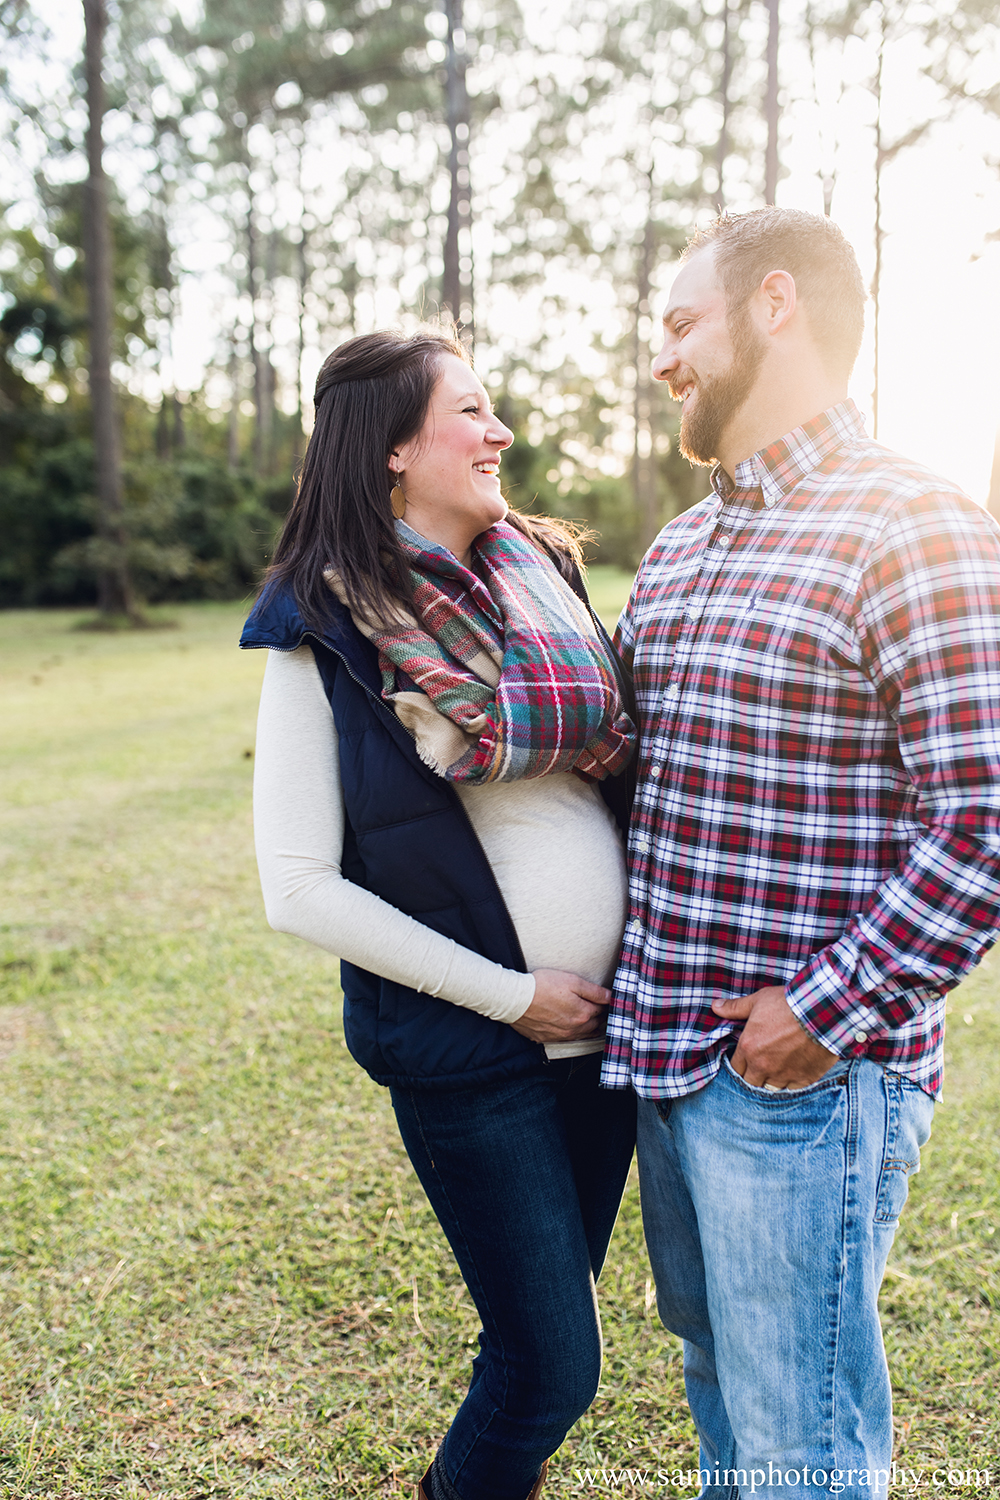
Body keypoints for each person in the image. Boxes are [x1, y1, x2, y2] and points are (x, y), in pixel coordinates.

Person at [602, 207, 1000, 1499]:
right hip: (666, 1058)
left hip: (801, 1087)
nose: (660, 357)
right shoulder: (677, 551)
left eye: (679, 324)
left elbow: (983, 824)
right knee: (730, 1413)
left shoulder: (914, 522)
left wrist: (817, 1019)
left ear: (776, 306)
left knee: (801, 1454)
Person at [239, 329, 637, 1500]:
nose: (500, 431)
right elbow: (297, 885)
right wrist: (514, 998)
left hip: (605, 1042)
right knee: (552, 1371)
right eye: (471, 410)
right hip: (476, 1056)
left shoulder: (546, 577)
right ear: (397, 448)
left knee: (536, 1342)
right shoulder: (320, 628)